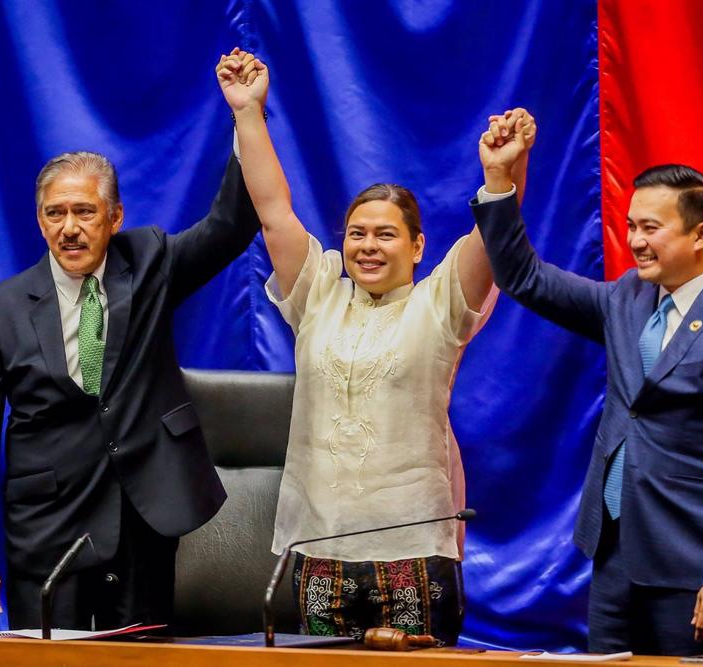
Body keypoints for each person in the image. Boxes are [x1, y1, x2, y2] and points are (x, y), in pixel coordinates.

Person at [215, 49, 533, 646]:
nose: (367, 245)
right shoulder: (317, 296)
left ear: (416, 247)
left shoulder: (441, 304)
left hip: (414, 547)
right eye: (356, 233)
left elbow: (493, 242)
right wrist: (248, 113)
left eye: (386, 234)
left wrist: (503, 177)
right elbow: (274, 212)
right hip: (320, 546)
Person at [0, 66, 261, 630]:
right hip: (47, 528)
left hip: (144, 517)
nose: (69, 228)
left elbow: (232, 225)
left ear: (114, 218)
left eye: (84, 212)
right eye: (55, 213)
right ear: (40, 222)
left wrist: (246, 117)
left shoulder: (149, 263)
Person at [470, 118, 703, 655]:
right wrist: (500, 180)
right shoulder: (627, 299)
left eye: (651, 228)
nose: (635, 241)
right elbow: (524, 277)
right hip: (615, 555)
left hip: (694, 568)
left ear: (700, 234)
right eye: (630, 226)